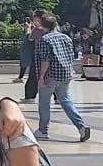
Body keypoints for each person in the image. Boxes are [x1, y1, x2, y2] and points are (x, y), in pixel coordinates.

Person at [31, 12, 90, 141]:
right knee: (65, 100)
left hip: (50, 75)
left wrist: (41, 77)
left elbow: (45, 61)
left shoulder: (44, 40)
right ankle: (81, 125)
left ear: (42, 25)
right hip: (66, 74)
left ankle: (43, 130)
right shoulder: (66, 38)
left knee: (44, 103)